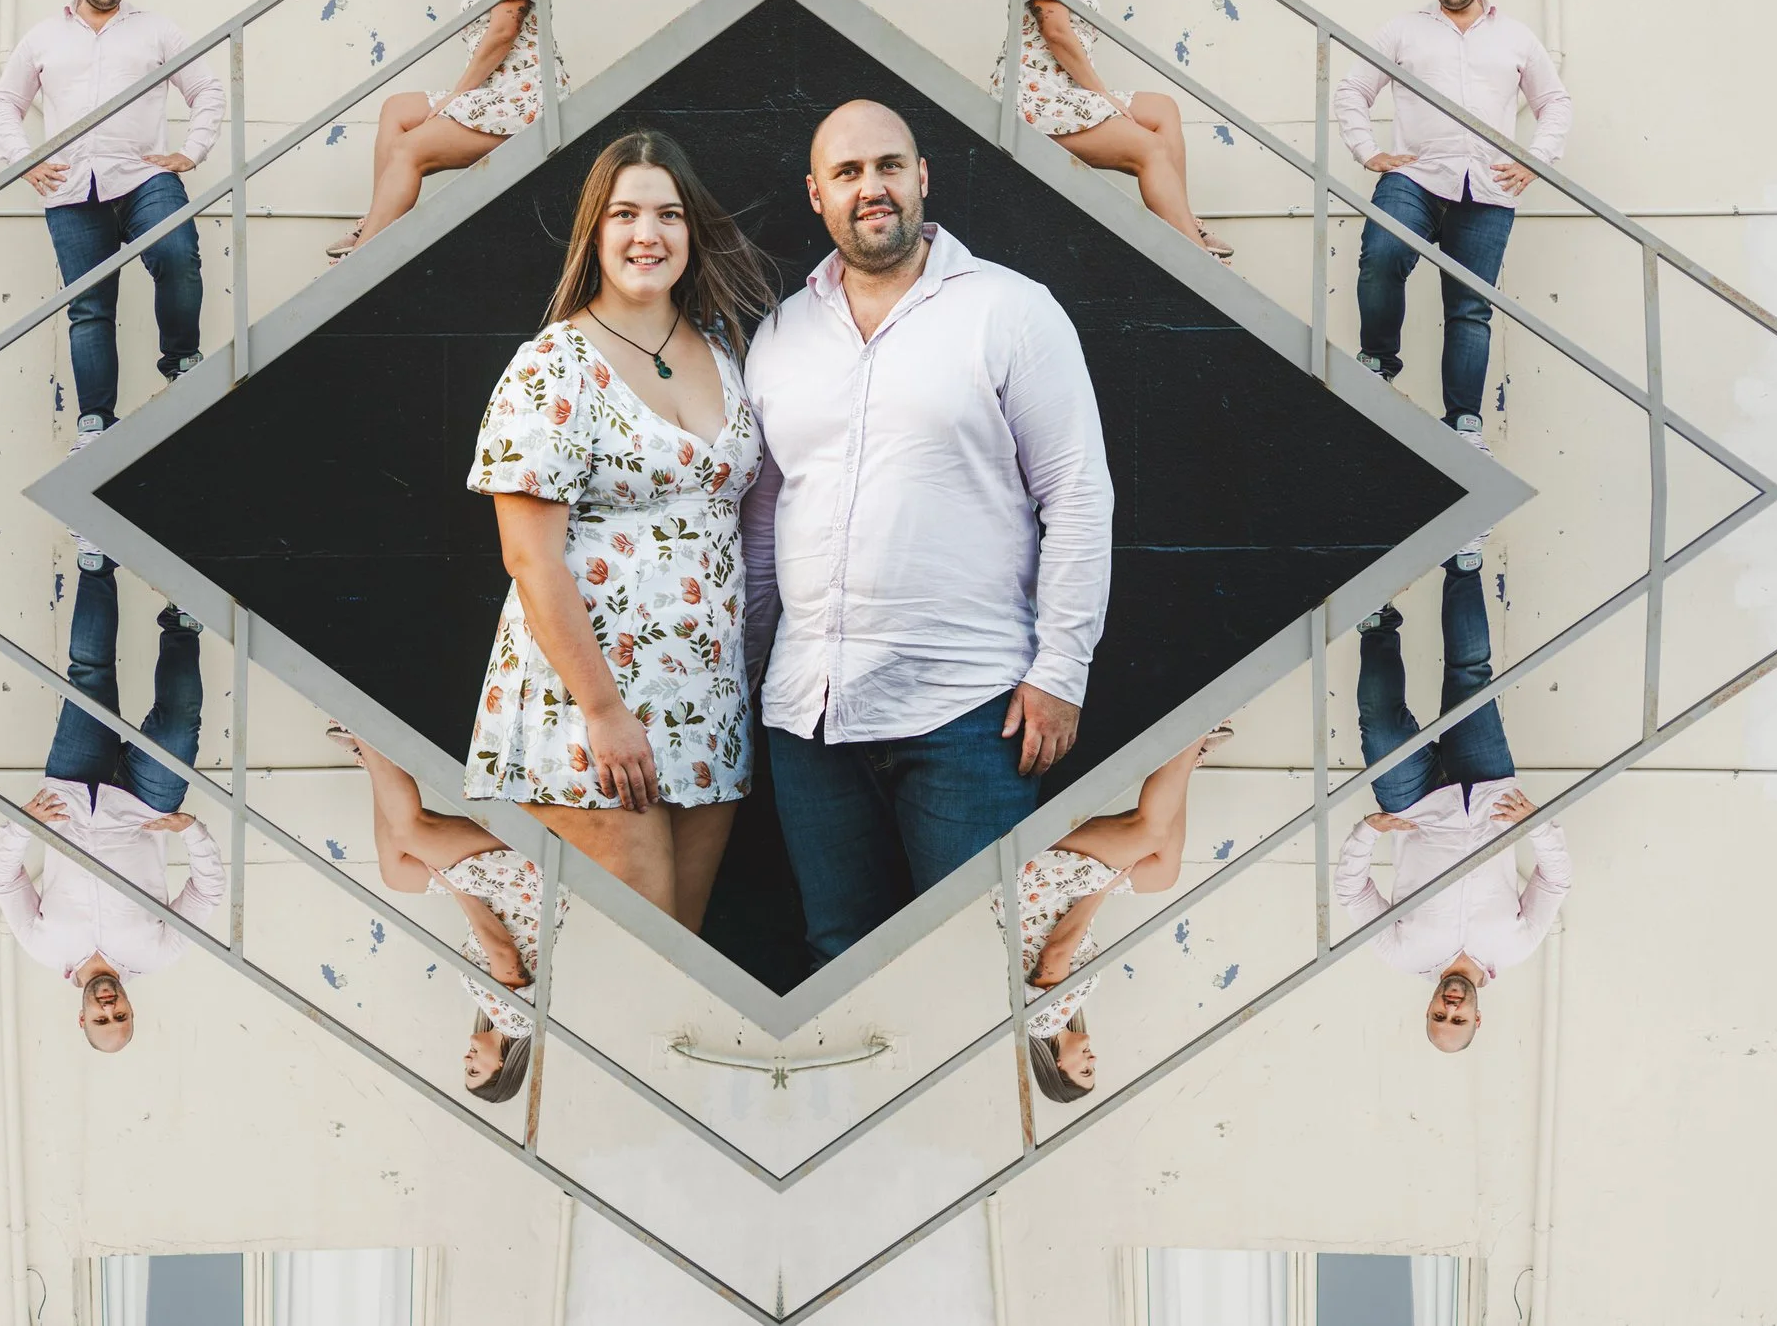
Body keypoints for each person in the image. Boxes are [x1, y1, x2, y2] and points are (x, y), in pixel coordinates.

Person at [743, 99, 1114, 965]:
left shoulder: (1010, 310)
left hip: (971, 715)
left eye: (888, 166)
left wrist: (1062, 671)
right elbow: (761, 523)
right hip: (810, 717)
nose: (870, 187)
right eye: (847, 172)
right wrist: (745, 670)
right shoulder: (781, 334)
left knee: (977, 964)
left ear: (921, 177)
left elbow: (1077, 495)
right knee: (839, 955)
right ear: (816, 194)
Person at [461, 131, 773, 929]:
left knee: (681, 954)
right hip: (588, 707)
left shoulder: (724, 349)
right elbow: (529, 559)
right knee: (636, 959)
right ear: (594, 232)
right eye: (626, 214)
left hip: (706, 702)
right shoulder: (552, 365)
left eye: (669, 214)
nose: (648, 234)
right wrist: (604, 712)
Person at [1333, 0, 1573, 453]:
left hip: (1488, 187)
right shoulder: (1403, 30)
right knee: (1382, 253)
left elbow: (1554, 101)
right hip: (1417, 175)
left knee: (1470, 307)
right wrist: (1367, 150)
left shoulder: (1515, 36)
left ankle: (1464, 424)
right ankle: (1377, 361)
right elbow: (1353, 88)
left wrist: (1536, 159)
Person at [0, 0, 222, 453]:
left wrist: (193, 150)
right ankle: (95, 425)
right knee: (89, 307)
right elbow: (4, 101)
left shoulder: (157, 31)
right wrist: (23, 160)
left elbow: (206, 87)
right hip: (71, 187)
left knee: (176, 253)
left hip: (142, 175)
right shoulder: (45, 36)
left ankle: (182, 362)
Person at [1334, 553, 1573, 1052]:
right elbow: (1555, 880)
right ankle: (1464, 563)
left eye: (1440, 1015)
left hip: (1414, 808)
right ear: (1477, 1019)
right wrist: (1535, 825)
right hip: (1488, 796)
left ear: (1428, 1008)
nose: (1451, 1006)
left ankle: (1377, 621)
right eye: (1458, 1019)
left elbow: (1353, 894)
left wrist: (1368, 832)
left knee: (1379, 724)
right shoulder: (1516, 947)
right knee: (1470, 678)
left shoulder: (1401, 955)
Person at [0, 551, 215, 1053]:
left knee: (89, 677)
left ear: (82, 1018)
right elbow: (206, 894)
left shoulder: (45, 948)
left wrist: (25, 824)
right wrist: (191, 833)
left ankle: (95, 562)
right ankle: (182, 621)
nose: (109, 1006)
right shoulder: (158, 954)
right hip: (145, 808)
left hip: (71, 794)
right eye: (120, 1015)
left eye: (101, 1018)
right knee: (180, 723)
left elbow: (3, 879)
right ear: (131, 1007)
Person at [988, 0, 1232, 260]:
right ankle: (1195, 252)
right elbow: (1057, 33)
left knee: (1163, 108)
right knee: (1150, 148)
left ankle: (1185, 219)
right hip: (1033, 98)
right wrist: (1102, 95)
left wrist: (1098, 95)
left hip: (1060, 94)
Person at [995, 726, 1231, 1103]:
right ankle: (1187, 759)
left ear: (1058, 1066)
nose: (1093, 1060)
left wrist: (1103, 887)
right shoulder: (1059, 1016)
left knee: (1148, 833)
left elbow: (1057, 951)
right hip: (1062, 891)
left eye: (1085, 1069)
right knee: (1163, 874)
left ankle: (1189, 734)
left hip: (1036, 882)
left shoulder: (1042, 1023)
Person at [330, 0, 567, 258]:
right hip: (498, 95)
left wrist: (458, 94)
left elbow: (503, 33)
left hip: (526, 99)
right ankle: (374, 218)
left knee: (408, 149)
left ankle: (364, 252)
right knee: (396, 108)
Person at [332, 725, 563, 1104]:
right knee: (410, 832)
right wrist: (456, 888)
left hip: (498, 890)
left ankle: (373, 760)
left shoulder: (501, 1016)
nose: (466, 1060)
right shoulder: (517, 1022)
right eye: (474, 1070)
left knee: (395, 874)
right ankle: (369, 735)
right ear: (502, 1066)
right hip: (523, 881)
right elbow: (502, 951)